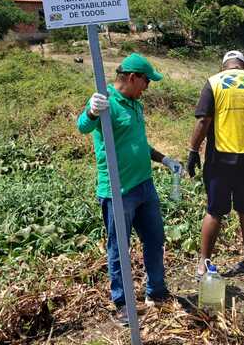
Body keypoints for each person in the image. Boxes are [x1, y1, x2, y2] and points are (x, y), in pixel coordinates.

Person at [77, 53, 182, 324]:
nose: (148, 87)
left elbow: (138, 143)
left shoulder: (136, 105)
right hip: (118, 191)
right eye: (146, 81)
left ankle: (156, 292)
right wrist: (91, 110)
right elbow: (82, 126)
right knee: (119, 248)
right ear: (133, 78)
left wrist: (164, 159)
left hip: (144, 186)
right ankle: (123, 302)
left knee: (155, 240)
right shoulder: (106, 102)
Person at [187, 50, 244, 277]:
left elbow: (203, 121)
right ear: (242, 65)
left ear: (224, 66)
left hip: (220, 158)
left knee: (214, 211)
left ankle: (203, 264)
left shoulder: (214, 82)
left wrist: (192, 150)